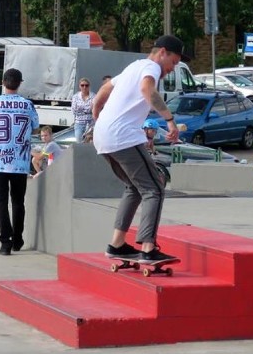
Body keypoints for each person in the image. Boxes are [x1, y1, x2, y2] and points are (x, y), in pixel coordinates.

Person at [92, 35, 188, 264]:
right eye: (173, 63)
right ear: (162, 52)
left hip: (103, 138)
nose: (171, 69)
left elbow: (106, 88)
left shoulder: (133, 67)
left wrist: (97, 108)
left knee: (134, 187)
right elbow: (147, 89)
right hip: (123, 137)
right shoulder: (151, 67)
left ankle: (116, 245)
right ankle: (148, 248)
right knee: (155, 187)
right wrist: (170, 120)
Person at [0, 68, 40, 255]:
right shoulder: (27, 105)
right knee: (18, 201)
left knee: (1, 202)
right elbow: (35, 129)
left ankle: (5, 242)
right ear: (20, 83)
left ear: (3, 82)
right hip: (20, 160)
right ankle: (18, 238)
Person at [71, 77, 95, 143]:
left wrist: (81, 109)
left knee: (89, 143)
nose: (84, 87)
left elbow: (94, 109)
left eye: (86, 85)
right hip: (79, 123)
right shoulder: (75, 97)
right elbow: (73, 110)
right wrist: (88, 109)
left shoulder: (93, 96)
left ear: (89, 86)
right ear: (79, 86)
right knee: (79, 141)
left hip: (90, 124)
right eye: (82, 85)